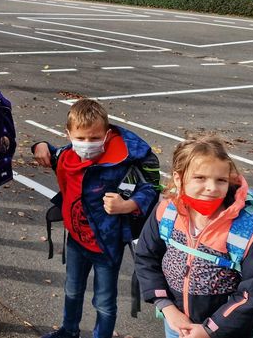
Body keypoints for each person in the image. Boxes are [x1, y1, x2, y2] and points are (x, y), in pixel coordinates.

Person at [31, 99, 160, 338]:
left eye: (94, 138)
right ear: (68, 134)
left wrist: (127, 205)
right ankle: (69, 331)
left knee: (104, 301)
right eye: (80, 138)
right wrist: (39, 144)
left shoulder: (119, 162)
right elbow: (53, 152)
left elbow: (148, 189)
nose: (87, 144)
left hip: (106, 245)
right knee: (72, 290)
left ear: (107, 135)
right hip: (77, 241)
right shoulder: (68, 155)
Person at [134, 134, 253, 338]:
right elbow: (146, 257)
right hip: (177, 324)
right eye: (200, 178)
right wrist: (167, 308)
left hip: (227, 331)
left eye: (221, 180)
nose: (212, 188)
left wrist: (209, 329)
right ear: (179, 178)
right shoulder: (166, 213)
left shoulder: (247, 233)